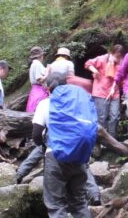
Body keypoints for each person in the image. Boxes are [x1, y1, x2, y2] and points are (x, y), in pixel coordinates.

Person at [16, 74, 101, 207]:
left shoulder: (47, 103)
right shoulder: (75, 101)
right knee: (82, 167)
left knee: (39, 151)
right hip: (77, 141)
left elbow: (36, 134)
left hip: (55, 144)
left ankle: (19, 174)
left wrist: (42, 144)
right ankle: (94, 193)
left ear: (49, 88)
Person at [85, 44, 124, 138]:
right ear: (112, 53)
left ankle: (112, 138)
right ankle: (102, 139)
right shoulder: (102, 59)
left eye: (119, 56)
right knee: (102, 116)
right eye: (116, 56)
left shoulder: (121, 63)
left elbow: (120, 78)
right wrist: (95, 71)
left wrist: (116, 90)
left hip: (114, 92)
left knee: (114, 116)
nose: (118, 58)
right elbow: (88, 64)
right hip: (100, 91)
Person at [25, 46, 48, 113]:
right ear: (41, 55)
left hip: (35, 91)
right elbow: (40, 80)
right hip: (39, 91)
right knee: (39, 110)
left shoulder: (34, 64)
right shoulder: (37, 64)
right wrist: (48, 72)